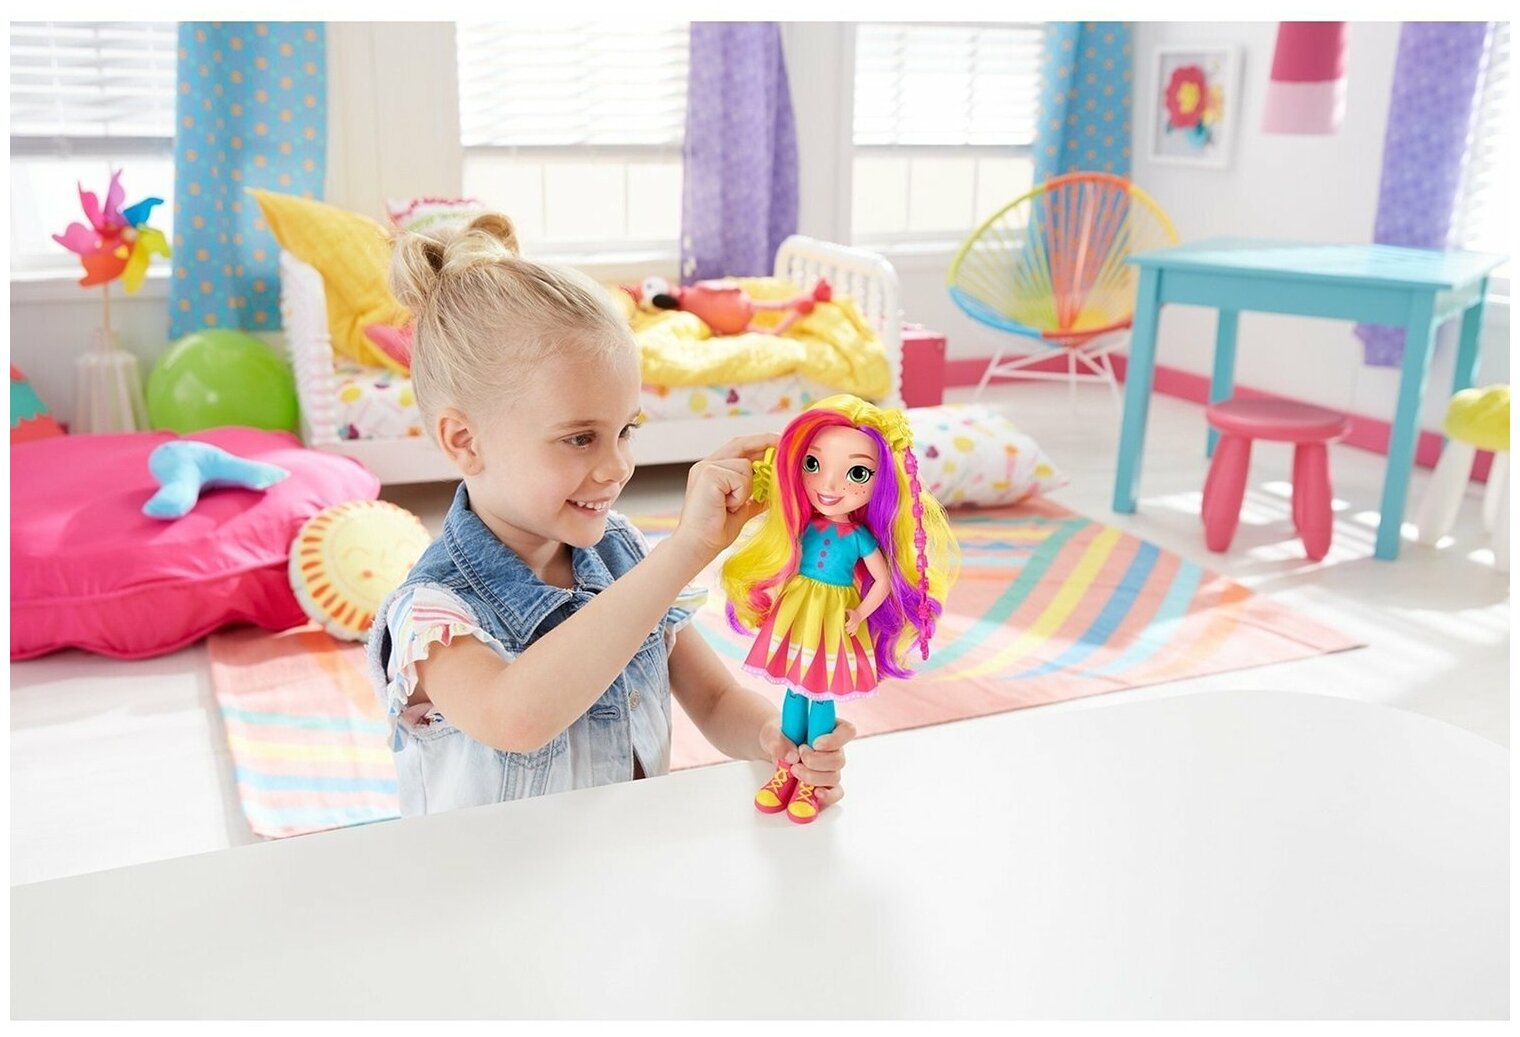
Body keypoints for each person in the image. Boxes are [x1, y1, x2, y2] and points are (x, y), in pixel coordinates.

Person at [364, 212, 855, 817]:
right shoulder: (433, 613)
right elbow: (515, 718)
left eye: (626, 430)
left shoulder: (620, 554)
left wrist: (775, 741)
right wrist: (685, 552)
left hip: (623, 858)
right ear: (465, 441)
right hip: (491, 876)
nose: (617, 467)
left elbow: (716, 699)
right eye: (580, 439)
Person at [721, 395, 958, 823]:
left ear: (880, 484)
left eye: (857, 473)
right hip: (799, 608)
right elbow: (782, 553)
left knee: (820, 691)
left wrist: (860, 614)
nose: (829, 485)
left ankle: (808, 781)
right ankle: (785, 770)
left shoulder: (859, 537)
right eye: (813, 464)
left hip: (834, 616)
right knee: (795, 690)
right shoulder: (804, 526)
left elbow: (882, 581)